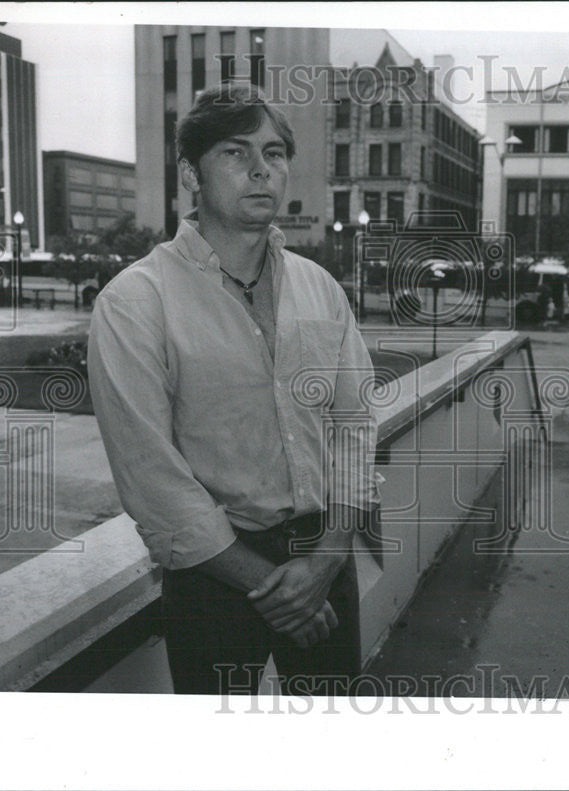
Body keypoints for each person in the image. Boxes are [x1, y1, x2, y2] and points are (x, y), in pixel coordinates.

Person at [87, 84, 380, 696]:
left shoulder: (319, 287)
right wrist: (275, 587)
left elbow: (354, 427)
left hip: (325, 550)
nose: (259, 170)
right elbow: (151, 475)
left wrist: (324, 563)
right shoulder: (136, 302)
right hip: (212, 574)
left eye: (274, 154)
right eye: (234, 153)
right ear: (191, 173)